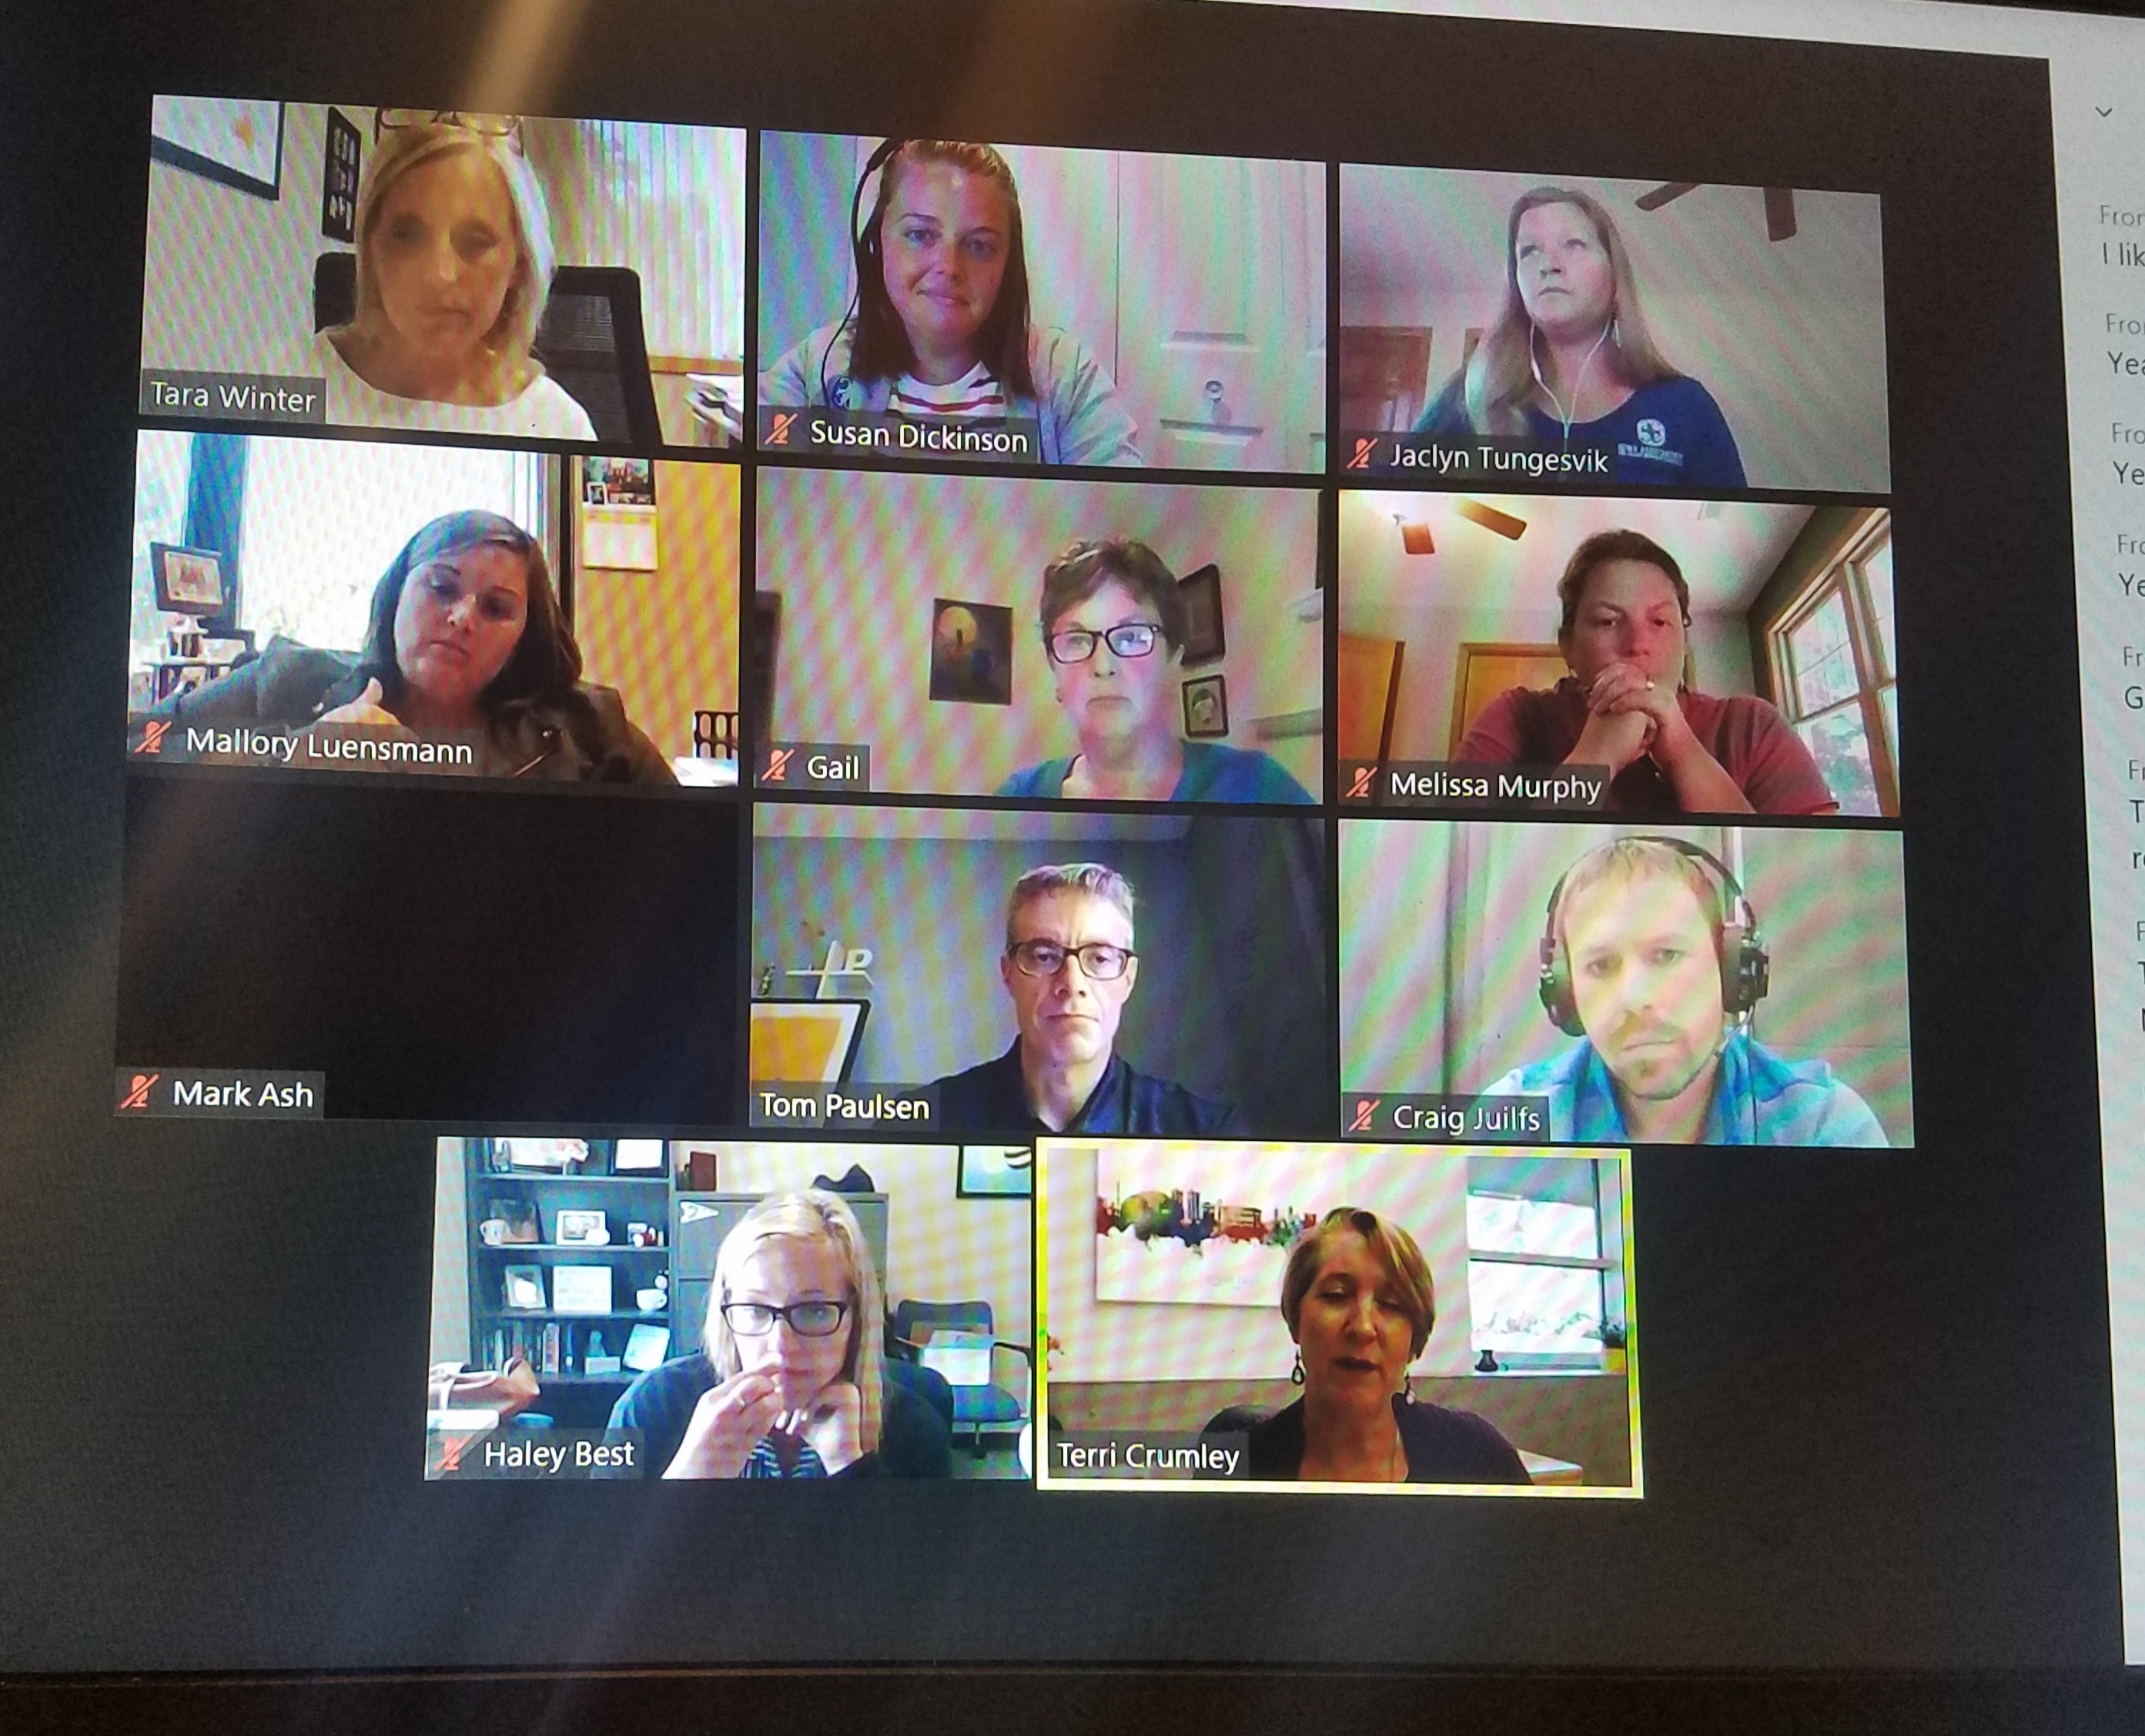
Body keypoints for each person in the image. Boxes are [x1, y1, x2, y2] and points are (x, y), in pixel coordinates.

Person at [150, 510, 674, 782]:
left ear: (523, 636)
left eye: (496, 608)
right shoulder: (286, 680)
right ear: (397, 592)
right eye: (441, 587)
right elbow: (137, 745)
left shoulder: (592, 731)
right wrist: (299, 752)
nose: (462, 617)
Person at [1484, 835, 1889, 1145]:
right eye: (1601, 965)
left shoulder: (1821, 1125)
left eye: (1666, 955)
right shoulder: (1511, 1117)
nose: (1634, 997)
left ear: (1730, 971)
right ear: (1565, 990)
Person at [760, 139, 1141, 466]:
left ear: (1007, 264)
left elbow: (1126, 513)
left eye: (979, 245)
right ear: (877, 244)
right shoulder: (816, 369)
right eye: (920, 234)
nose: (949, 267)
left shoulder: (1066, 376)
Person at [1455, 529, 1836, 815]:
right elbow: (1451, 865)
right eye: (1608, 621)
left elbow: (1819, 878)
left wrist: (1684, 752)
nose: (1637, 644)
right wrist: (1595, 757)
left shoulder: (1752, 725)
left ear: (1684, 641)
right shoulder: (1518, 717)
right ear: (1567, 645)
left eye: (1659, 622)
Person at [1412, 186, 1745, 490]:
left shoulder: (1687, 406)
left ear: (1614, 276)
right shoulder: (1472, 395)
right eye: (1529, 251)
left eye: (1573, 244)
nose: (1548, 265)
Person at [606, 1192, 948, 1478]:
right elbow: (599, 1539)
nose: (781, 1347)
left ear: (856, 1319)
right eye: (755, 1310)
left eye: (814, 1311)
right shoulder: (651, 1407)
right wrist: (688, 1479)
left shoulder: (914, 1430)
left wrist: (850, 1468)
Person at [314, 111, 597, 440]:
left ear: (518, 265)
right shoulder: (295, 378)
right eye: (408, 236)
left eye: (475, 242)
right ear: (372, 247)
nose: (439, 275)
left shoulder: (558, 424)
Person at [1200, 1207, 1530, 1485]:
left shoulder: (1478, 1458)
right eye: (1336, 1295)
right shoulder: (1234, 1468)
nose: (1362, 1327)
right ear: (1296, 1318)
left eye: (1391, 1304)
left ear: (1415, 1341)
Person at [997, 540, 1313, 804]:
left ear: (1173, 662)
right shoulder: (1019, 799)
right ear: (1054, 670)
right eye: (1077, 641)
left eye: (1131, 637)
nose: (1103, 666)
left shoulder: (1260, 789)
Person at [933, 864, 1234, 1135]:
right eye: (1044, 956)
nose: (1072, 984)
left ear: (1128, 978)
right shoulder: (932, 1118)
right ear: (1008, 973)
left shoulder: (1208, 1133)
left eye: (1100, 958)